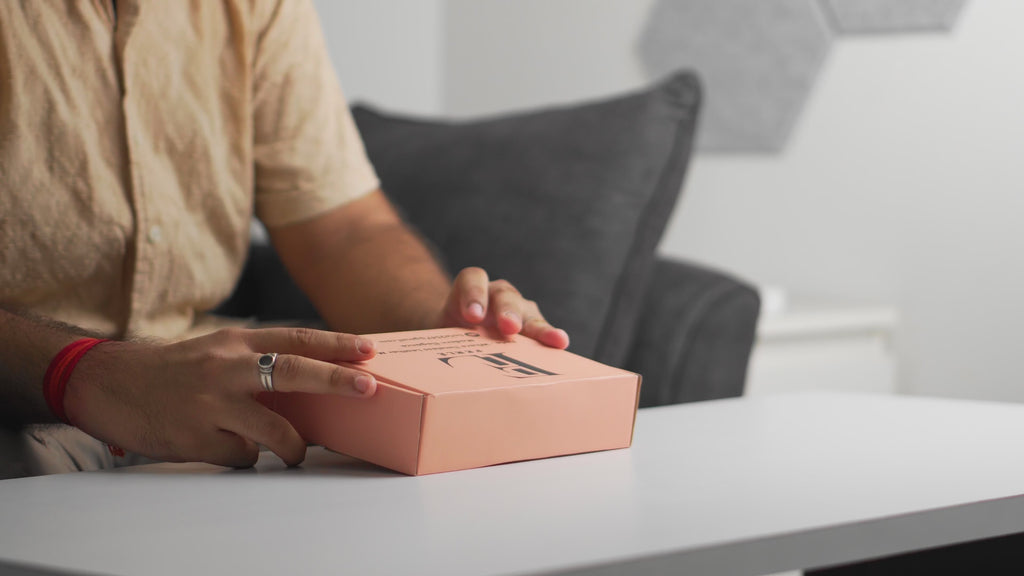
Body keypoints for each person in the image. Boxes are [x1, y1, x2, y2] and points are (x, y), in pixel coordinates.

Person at [0, 1, 568, 477]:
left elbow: (344, 228)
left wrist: (439, 331)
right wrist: (81, 372)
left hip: (210, 391)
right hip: (27, 404)